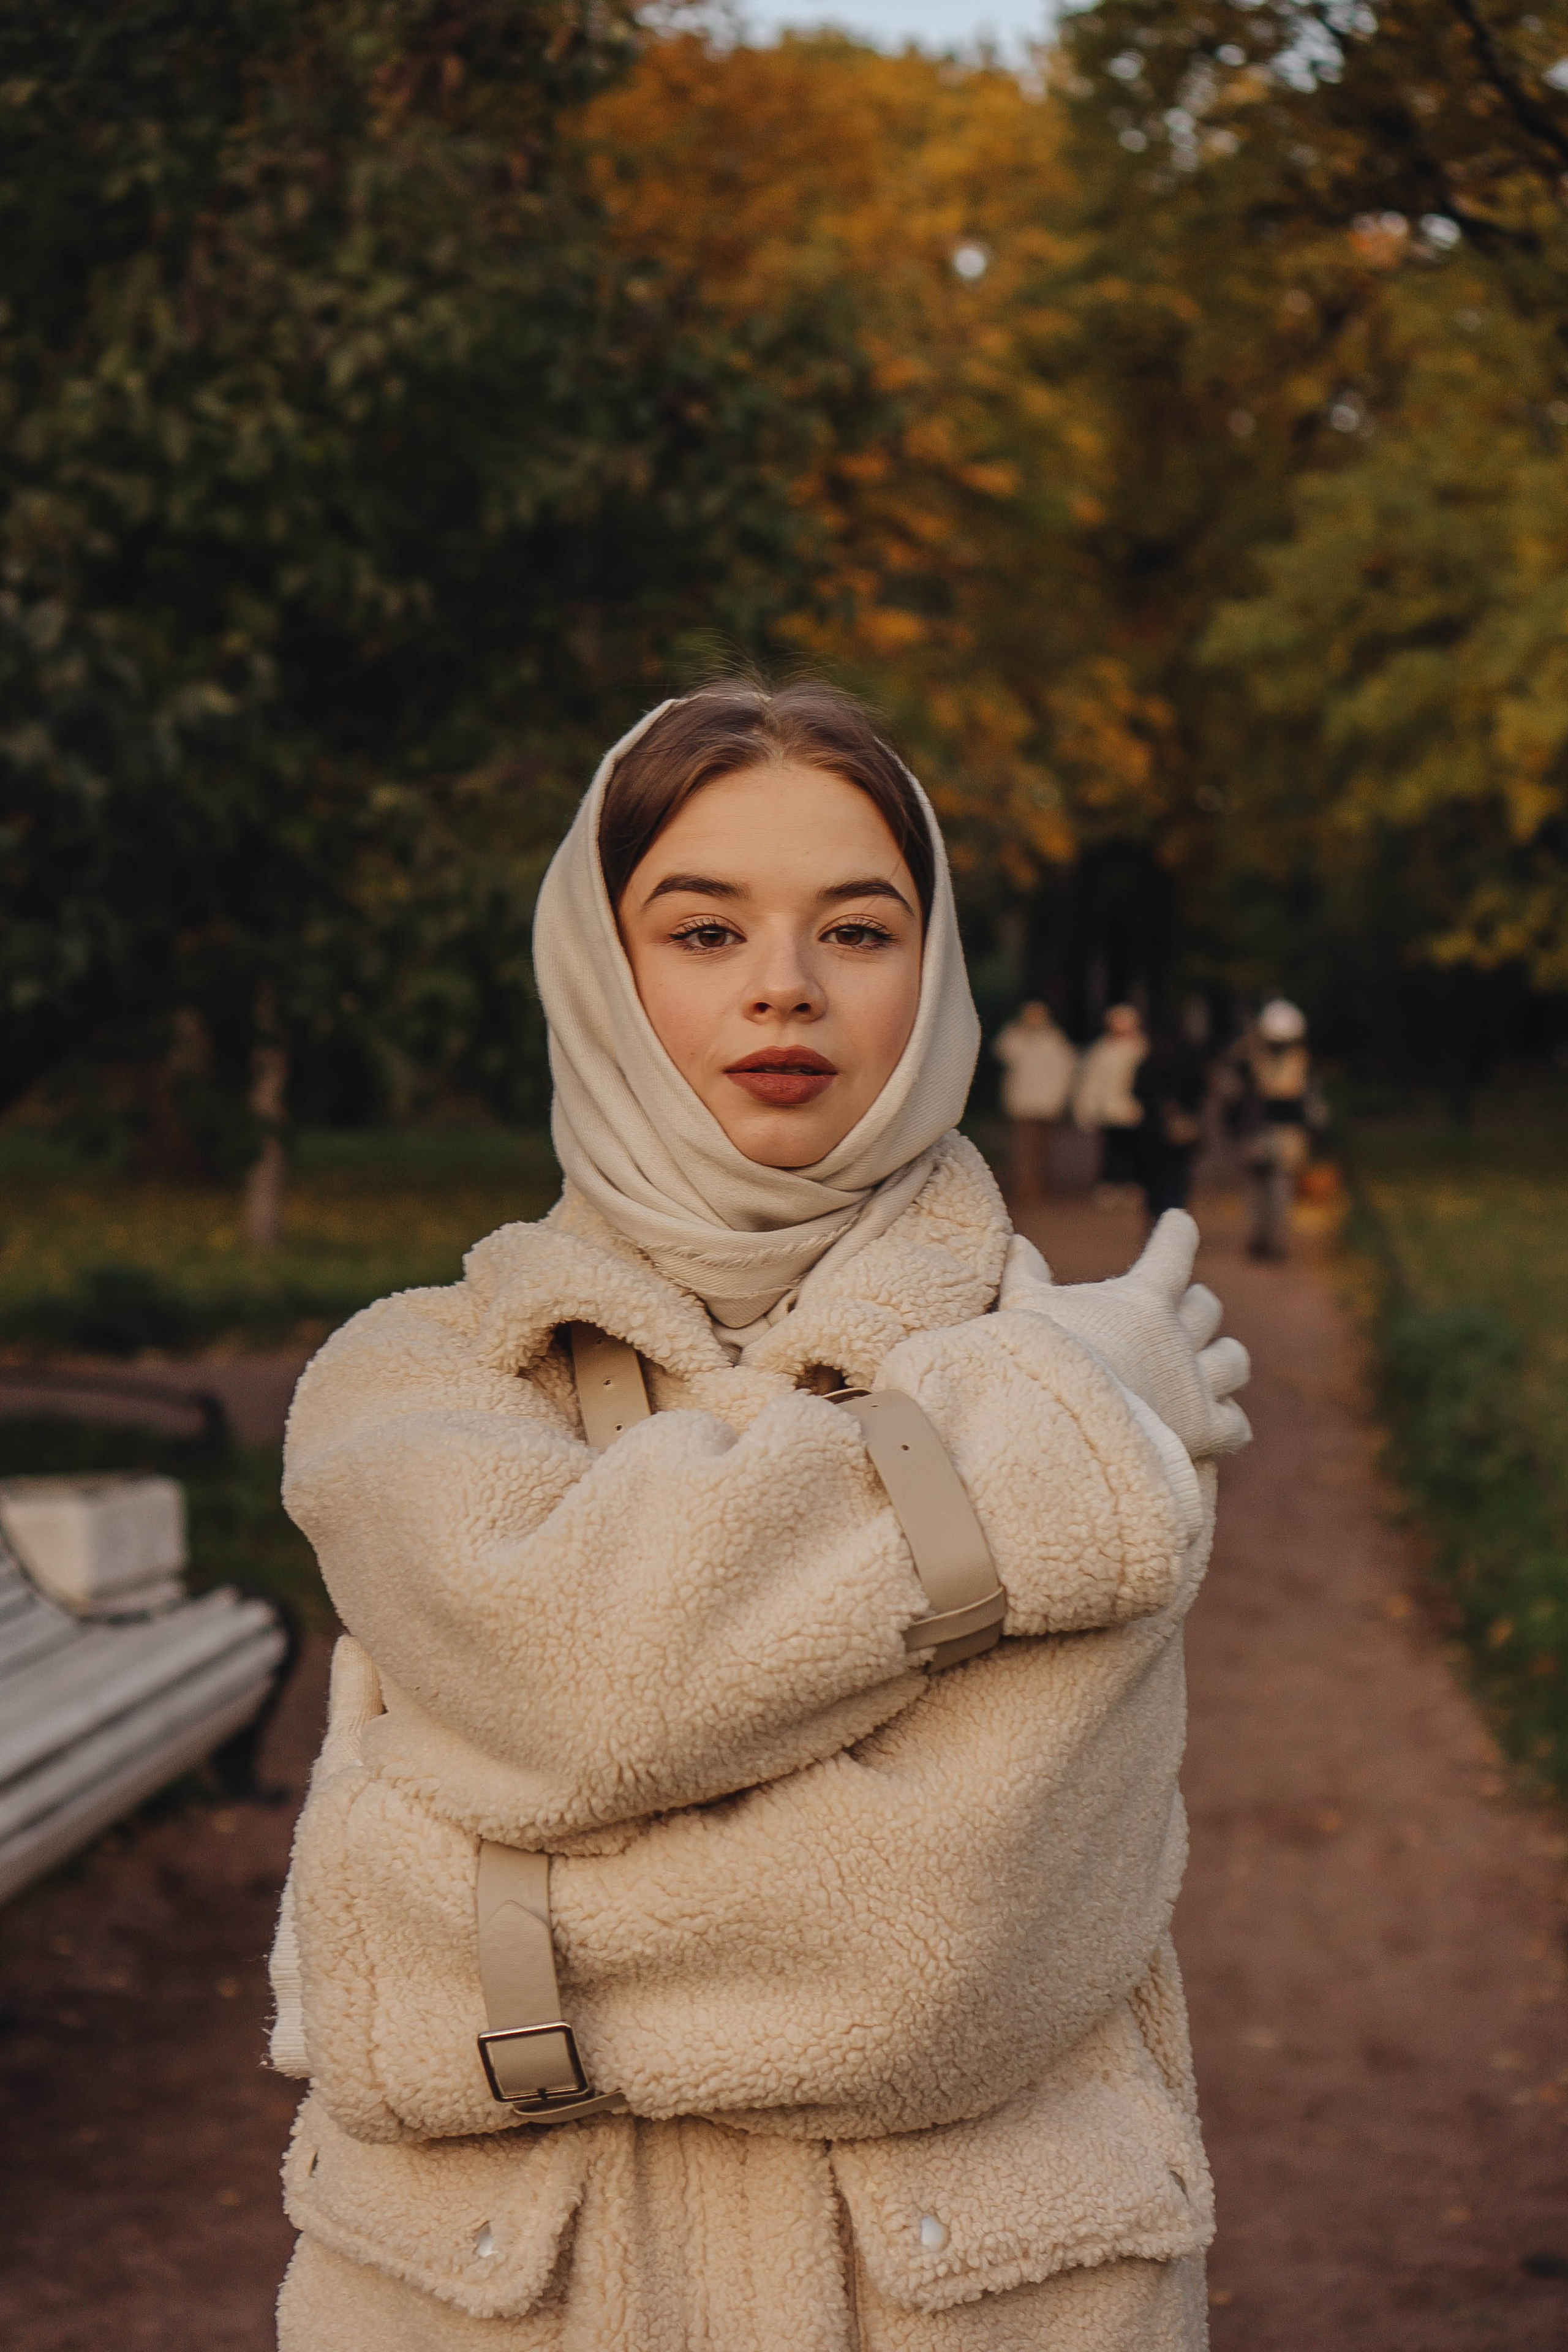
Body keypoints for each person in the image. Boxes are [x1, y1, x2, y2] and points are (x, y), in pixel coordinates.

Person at [268, 680, 1251, 2351]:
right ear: (599, 967)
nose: (783, 986)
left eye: (855, 931)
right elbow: (589, 1681)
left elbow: (940, 1953)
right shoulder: (408, 1380)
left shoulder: (1092, 1373)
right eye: (704, 930)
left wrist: (449, 1952)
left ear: (931, 976)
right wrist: (1008, 1453)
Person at [1239, 998, 1311, 1261]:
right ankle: (1266, 1240)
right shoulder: (1253, 1058)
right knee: (1268, 1188)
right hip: (1269, 1132)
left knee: (1273, 1188)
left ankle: (1270, 1241)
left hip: (1276, 1133)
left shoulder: (1254, 1058)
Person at [992, 998, 1077, 1200]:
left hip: (1046, 1102)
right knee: (1023, 1147)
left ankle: (1041, 1184)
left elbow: (1064, 1071)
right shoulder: (1018, 1038)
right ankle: (1026, 1184)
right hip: (1022, 1102)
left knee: (1042, 1147)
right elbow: (1002, 1051)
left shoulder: (1054, 1040)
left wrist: (1059, 1098)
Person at [1072, 1003, 1148, 1208]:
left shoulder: (1142, 1049)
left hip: (1135, 1110)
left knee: (1135, 1150)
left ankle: (1133, 1185)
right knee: (1110, 1151)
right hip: (1109, 1111)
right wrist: (1085, 1108)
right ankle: (1109, 1186)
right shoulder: (1101, 1050)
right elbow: (1091, 1082)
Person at [1134, 1030, 1210, 1222]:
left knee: (1163, 1177)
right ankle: (1172, 1217)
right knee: (1175, 1177)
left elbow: (1138, 1091)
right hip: (1167, 1132)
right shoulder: (1186, 1065)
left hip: (1160, 1132)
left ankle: (1164, 1216)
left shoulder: (1150, 1064)